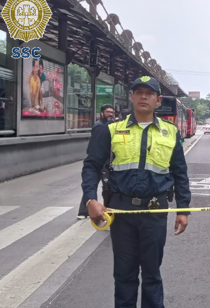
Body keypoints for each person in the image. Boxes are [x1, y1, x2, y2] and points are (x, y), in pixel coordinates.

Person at [81, 76, 191, 307]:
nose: (143, 96)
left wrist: (183, 209)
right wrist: (91, 198)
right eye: (138, 92)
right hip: (121, 210)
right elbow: (91, 166)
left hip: (155, 210)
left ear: (158, 100)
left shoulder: (170, 132)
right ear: (130, 96)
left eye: (149, 93)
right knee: (124, 274)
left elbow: (180, 173)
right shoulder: (111, 130)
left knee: (152, 274)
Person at [77, 104, 115, 219]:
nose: (110, 114)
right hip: (100, 160)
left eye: (112, 112)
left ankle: (85, 211)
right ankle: (85, 210)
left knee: (103, 186)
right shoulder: (100, 126)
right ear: (101, 113)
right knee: (97, 186)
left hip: (104, 159)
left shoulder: (109, 125)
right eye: (108, 112)